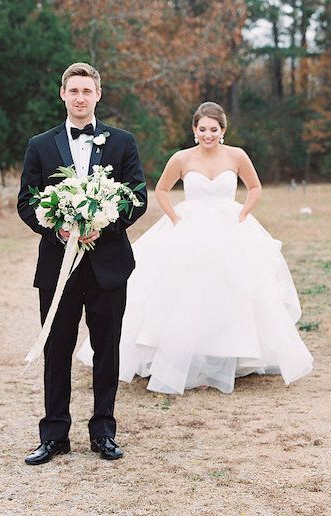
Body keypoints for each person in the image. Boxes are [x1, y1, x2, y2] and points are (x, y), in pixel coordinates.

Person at [78, 101, 313, 394]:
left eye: (214, 129)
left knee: (231, 289)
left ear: (223, 130)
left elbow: (255, 187)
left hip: (230, 228)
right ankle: (182, 357)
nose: (208, 135)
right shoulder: (182, 158)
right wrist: (175, 216)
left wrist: (243, 213)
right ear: (194, 130)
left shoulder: (237, 155)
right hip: (189, 228)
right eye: (202, 129)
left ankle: (227, 355)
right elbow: (161, 189)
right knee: (185, 292)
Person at [17, 62, 147, 463]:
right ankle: (54, 435)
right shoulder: (40, 145)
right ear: (62, 94)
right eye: (73, 91)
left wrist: (102, 225)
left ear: (98, 95)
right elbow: (26, 202)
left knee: (107, 350)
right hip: (57, 266)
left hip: (108, 265)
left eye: (86, 91)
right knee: (57, 350)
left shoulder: (122, 142)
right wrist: (58, 229)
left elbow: (136, 197)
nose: (79, 98)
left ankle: (104, 432)